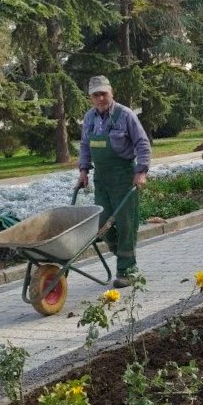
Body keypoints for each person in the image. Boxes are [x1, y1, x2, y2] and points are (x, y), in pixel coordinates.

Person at [77, 75, 151, 288]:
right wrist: (83, 171)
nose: (100, 98)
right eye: (96, 95)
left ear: (111, 92)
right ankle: (128, 259)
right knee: (101, 224)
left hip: (123, 177)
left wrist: (141, 171)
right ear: (90, 97)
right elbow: (84, 146)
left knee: (126, 224)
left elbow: (142, 144)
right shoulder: (89, 118)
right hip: (102, 179)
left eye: (104, 93)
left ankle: (126, 270)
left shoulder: (125, 115)